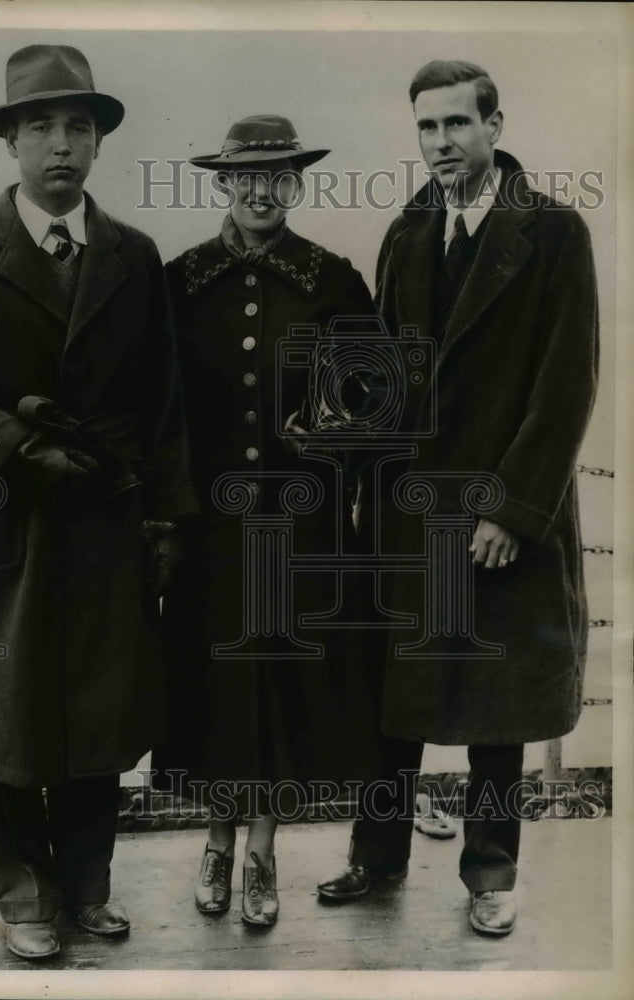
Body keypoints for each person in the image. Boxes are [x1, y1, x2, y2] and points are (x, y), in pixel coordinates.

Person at [0, 44, 196, 961]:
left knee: (102, 708)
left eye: (78, 127)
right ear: (12, 143)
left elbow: (165, 397)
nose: (60, 144)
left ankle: (88, 887)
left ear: (98, 143)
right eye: (41, 128)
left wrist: (167, 518)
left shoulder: (135, 257)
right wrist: (19, 443)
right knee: (9, 711)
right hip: (3, 518)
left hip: (109, 513)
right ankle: (23, 895)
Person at [317, 60, 599, 936]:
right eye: (425, 129)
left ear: (494, 125)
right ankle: (376, 855)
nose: (440, 144)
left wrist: (514, 511)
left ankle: (491, 875)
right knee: (393, 694)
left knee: (499, 704)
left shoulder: (553, 233)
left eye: (455, 125)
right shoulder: (407, 233)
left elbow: (567, 383)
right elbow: (391, 378)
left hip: (503, 513)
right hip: (411, 509)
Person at [156, 115, 381, 927]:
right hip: (210, 528)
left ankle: (261, 851)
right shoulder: (181, 280)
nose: (260, 190)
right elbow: (161, 407)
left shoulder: (334, 281)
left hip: (301, 525)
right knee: (216, 687)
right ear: (223, 182)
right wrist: (167, 521)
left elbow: (376, 402)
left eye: (278, 176)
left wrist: (332, 436)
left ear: (296, 183)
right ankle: (215, 842)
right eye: (245, 176)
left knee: (282, 686)